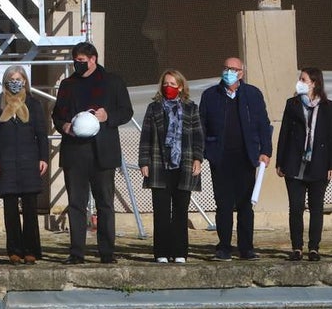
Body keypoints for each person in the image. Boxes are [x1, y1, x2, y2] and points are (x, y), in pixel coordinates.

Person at [51, 42, 132, 264]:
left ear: (93, 59)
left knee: (105, 203)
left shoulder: (112, 81)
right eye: (75, 61)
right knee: (76, 204)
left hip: (102, 153)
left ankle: (107, 253)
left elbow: (126, 111)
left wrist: (108, 117)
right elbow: (57, 115)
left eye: (82, 61)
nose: (78, 65)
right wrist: (64, 126)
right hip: (75, 153)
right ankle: (77, 253)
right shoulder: (68, 85)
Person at [199, 56, 273, 260]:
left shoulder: (252, 94)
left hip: (246, 157)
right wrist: (205, 151)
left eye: (233, 69)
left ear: (241, 73)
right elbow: (201, 125)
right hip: (220, 157)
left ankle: (246, 247)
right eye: (225, 68)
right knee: (223, 204)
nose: (228, 72)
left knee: (244, 205)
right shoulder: (210, 95)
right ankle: (224, 246)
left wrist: (265, 150)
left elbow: (263, 124)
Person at [0, 64, 49, 264]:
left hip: (29, 161)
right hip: (6, 162)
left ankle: (31, 250)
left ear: (25, 81)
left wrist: (43, 158)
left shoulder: (34, 104)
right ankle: (14, 250)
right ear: (5, 82)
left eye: (19, 79)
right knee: (10, 209)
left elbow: (41, 134)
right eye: (11, 79)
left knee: (30, 209)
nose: (15, 82)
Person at [138, 70, 204, 263]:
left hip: (184, 165)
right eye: (166, 83)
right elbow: (146, 137)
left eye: (173, 84)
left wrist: (198, 159)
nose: (169, 87)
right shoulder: (154, 108)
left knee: (181, 211)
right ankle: (161, 252)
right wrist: (144, 162)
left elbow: (198, 137)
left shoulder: (191, 108)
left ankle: (180, 252)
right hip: (160, 165)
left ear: (181, 86)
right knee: (161, 212)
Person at [275, 68, 332, 261]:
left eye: (303, 79)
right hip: (295, 163)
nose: (300, 82)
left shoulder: (328, 106)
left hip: (318, 164)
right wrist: (280, 162)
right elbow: (284, 133)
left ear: (314, 83)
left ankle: (314, 247)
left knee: (316, 207)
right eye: (300, 79)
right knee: (296, 207)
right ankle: (297, 247)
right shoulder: (292, 104)